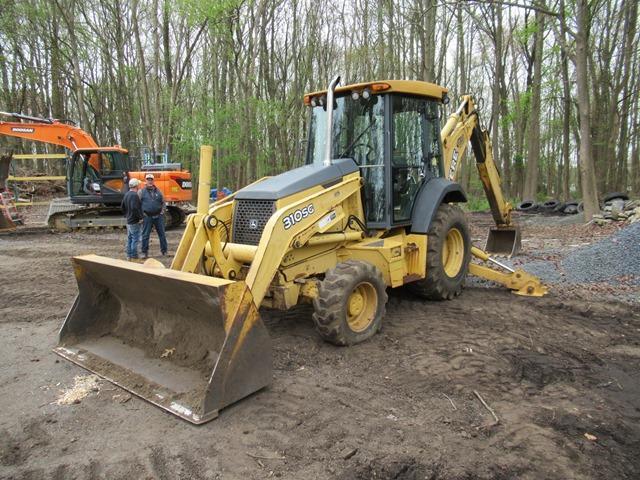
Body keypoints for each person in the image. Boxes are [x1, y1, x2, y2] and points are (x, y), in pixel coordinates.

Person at [139, 173, 168, 257]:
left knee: (162, 234)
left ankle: (164, 251)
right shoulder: (141, 192)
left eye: (151, 179)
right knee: (145, 235)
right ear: (146, 180)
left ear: (153, 180)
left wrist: (163, 211)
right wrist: (142, 214)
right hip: (147, 217)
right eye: (148, 179)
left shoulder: (159, 191)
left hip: (159, 216)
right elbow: (138, 204)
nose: (150, 181)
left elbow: (163, 202)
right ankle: (144, 252)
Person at [121, 178, 143, 260]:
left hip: (129, 220)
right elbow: (135, 208)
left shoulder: (126, 194)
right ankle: (134, 256)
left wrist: (127, 215)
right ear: (136, 185)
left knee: (130, 238)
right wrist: (140, 217)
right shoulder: (134, 195)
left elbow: (122, 207)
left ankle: (129, 255)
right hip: (134, 221)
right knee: (135, 239)